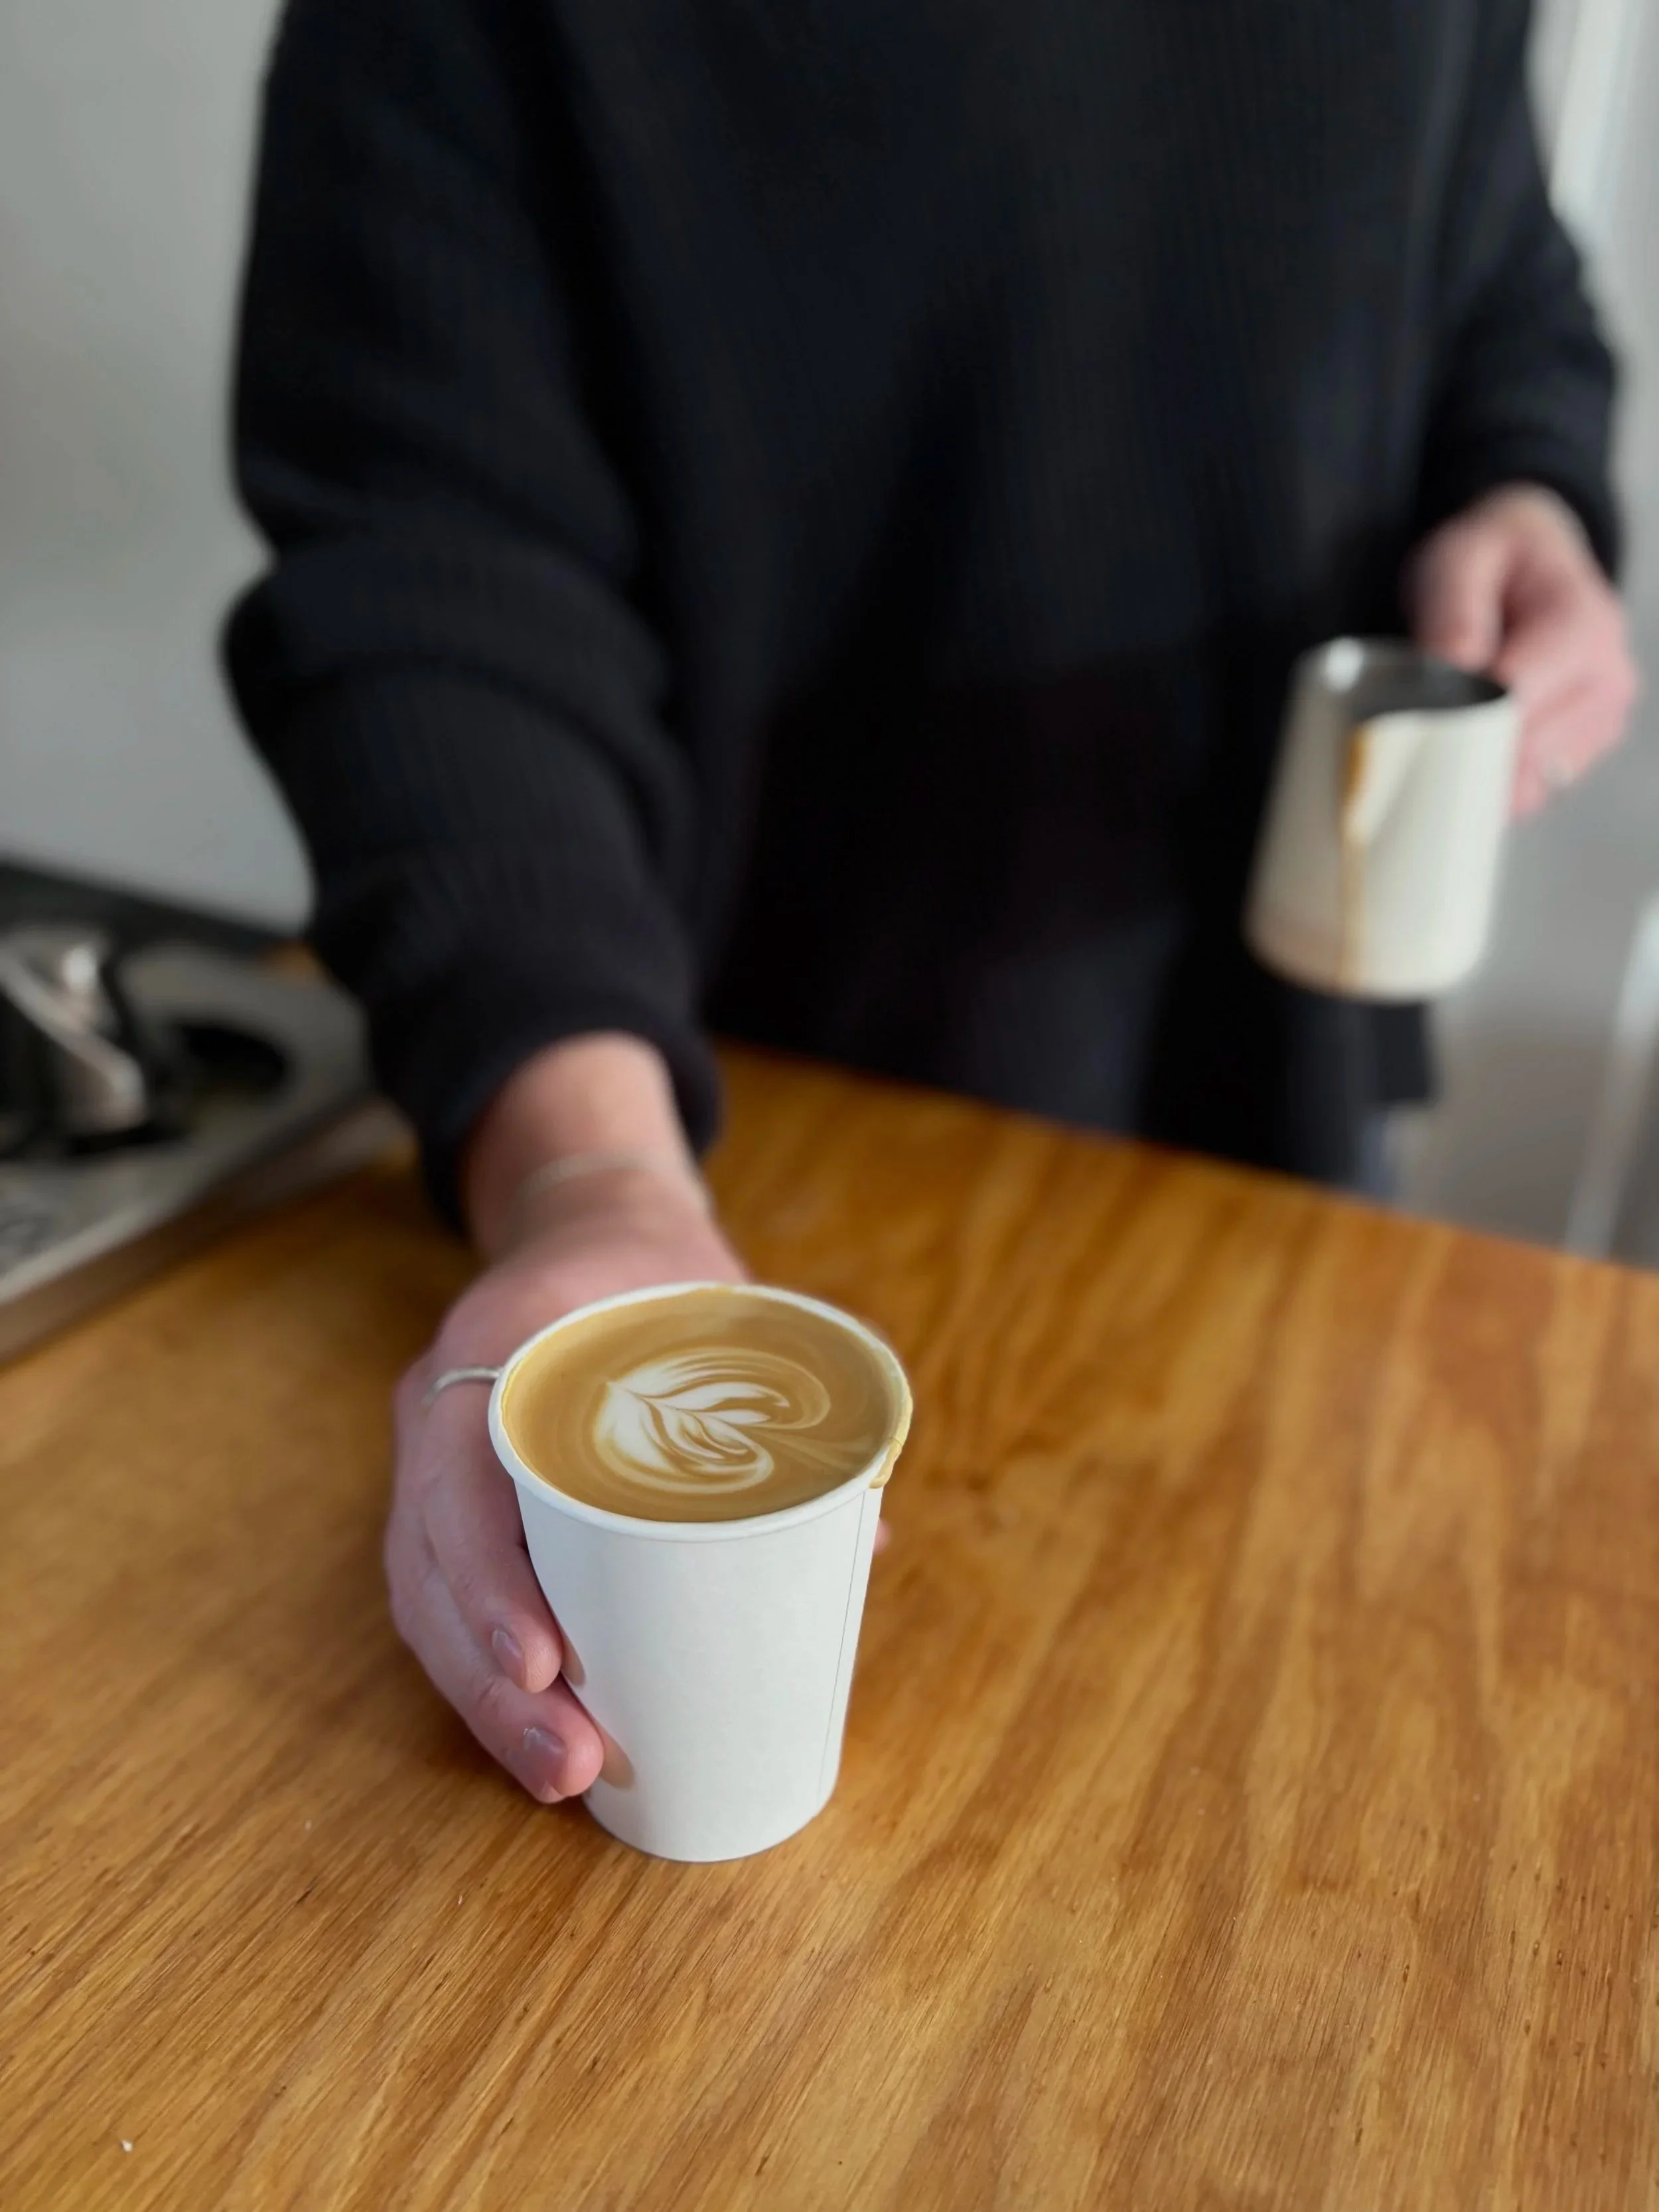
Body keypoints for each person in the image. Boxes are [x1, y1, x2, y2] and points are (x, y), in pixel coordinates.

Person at [226, 0, 1638, 1805]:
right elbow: (426, 561)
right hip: (723, 1123)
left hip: (1269, 1105)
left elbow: (1496, 270)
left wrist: (1529, 485)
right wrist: (585, 1170)